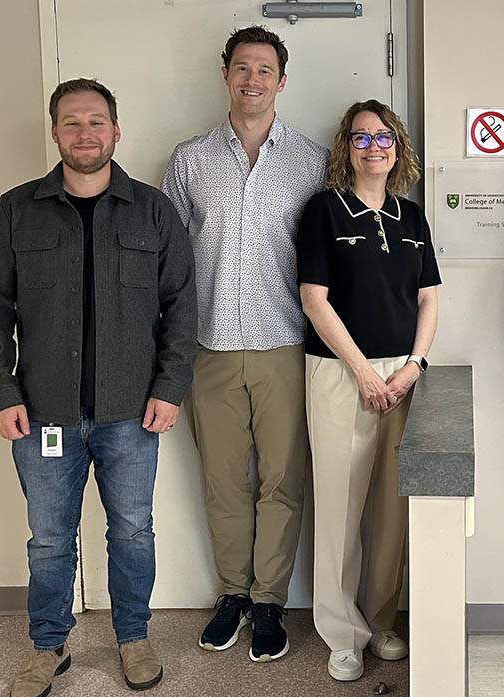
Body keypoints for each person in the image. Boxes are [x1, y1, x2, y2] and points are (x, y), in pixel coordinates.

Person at [0, 78, 197, 697]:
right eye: (71, 123)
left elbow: (182, 307)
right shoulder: (16, 210)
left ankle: (133, 638)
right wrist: (0, 391)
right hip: (43, 409)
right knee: (49, 538)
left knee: (132, 531)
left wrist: (171, 386)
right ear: (54, 133)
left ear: (117, 131)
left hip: (132, 411)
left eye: (96, 122)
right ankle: (49, 645)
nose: (85, 133)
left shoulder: (153, 211)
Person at [161, 26, 327, 661]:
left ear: (281, 82)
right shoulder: (189, 161)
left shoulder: (310, 163)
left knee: (283, 479)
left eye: (265, 70)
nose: (252, 79)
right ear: (224, 74)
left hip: (285, 341)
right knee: (223, 478)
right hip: (209, 346)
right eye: (242, 67)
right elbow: (171, 264)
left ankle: (269, 602)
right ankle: (231, 592)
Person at [298, 99, 440, 681]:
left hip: (401, 376)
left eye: (384, 138)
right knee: (339, 506)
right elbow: (315, 298)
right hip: (338, 373)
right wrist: (360, 369)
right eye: (361, 139)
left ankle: (381, 619)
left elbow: (429, 297)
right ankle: (342, 633)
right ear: (345, 149)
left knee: (391, 504)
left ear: (398, 147)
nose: (373, 147)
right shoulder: (323, 211)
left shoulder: (411, 217)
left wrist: (414, 365)